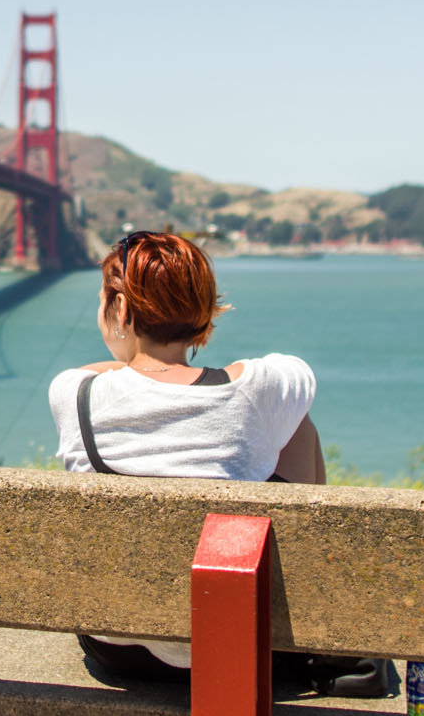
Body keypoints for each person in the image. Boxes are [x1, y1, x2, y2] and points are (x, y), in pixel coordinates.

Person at [48, 230, 327, 682]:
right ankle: (308, 587)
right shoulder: (259, 387)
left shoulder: (73, 393)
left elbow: (107, 373)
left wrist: (132, 354)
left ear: (119, 308)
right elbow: (295, 373)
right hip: (235, 644)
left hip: (115, 648)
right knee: (296, 424)